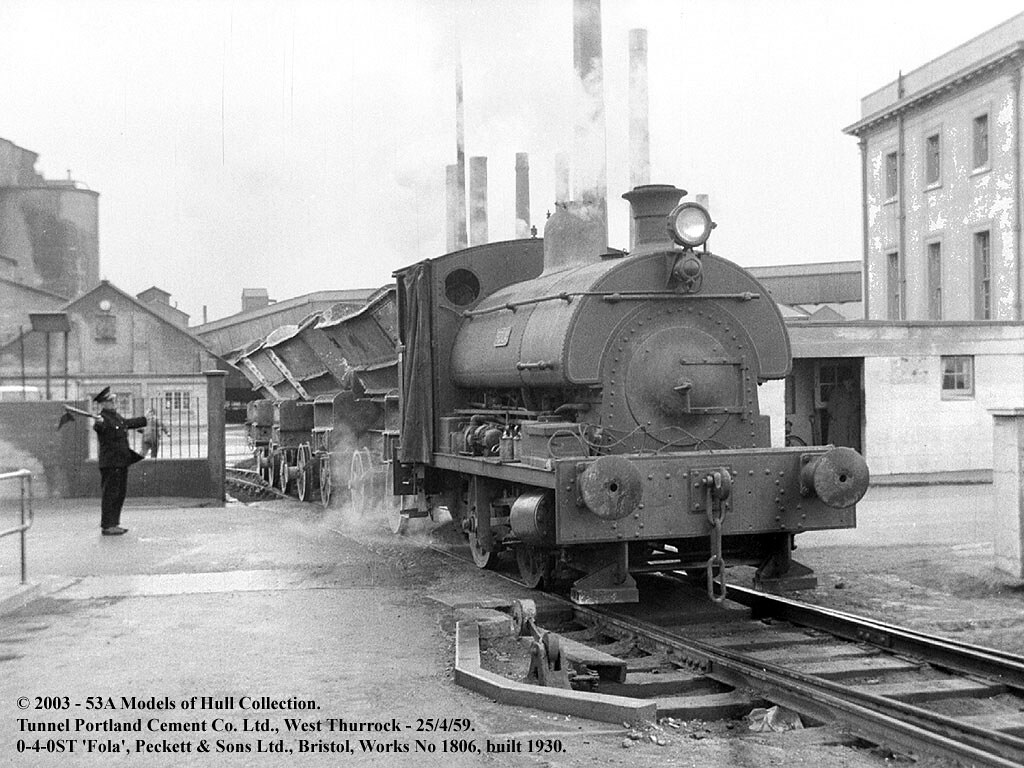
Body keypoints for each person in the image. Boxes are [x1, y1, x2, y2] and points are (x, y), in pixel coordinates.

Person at [92, 387, 146, 536]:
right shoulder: (102, 418)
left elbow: (127, 423)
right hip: (111, 463)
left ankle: (114, 523)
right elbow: (99, 427)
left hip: (121, 462)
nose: (114, 403)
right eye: (110, 401)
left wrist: (145, 420)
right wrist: (99, 423)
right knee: (111, 494)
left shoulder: (115, 417)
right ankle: (107, 525)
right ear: (103, 404)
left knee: (119, 494)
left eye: (114, 400)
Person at [825, 377, 860, 450]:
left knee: (852, 445)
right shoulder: (836, 392)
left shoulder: (854, 392)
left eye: (851, 381)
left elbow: (857, 405)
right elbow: (830, 408)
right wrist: (837, 417)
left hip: (851, 422)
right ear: (844, 381)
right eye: (848, 381)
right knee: (840, 445)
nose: (850, 383)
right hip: (839, 422)